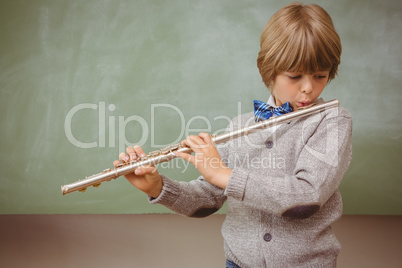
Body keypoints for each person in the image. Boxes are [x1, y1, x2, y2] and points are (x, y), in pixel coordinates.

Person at [114, 3, 352, 267]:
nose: (308, 88)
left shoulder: (332, 122)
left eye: (320, 75)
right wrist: (159, 187)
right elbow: (208, 199)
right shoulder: (240, 125)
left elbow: (306, 197)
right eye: (295, 76)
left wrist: (223, 174)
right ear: (269, 70)